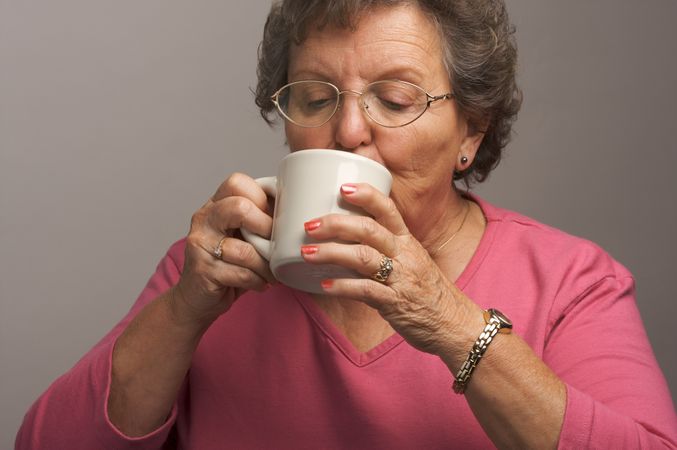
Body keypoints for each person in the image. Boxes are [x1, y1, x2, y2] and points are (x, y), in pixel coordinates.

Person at [16, 0, 677, 448]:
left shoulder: (569, 280)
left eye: (393, 99)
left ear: (471, 129)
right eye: (313, 97)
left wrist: (443, 316)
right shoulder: (216, 272)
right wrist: (185, 309)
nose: (348, 131)